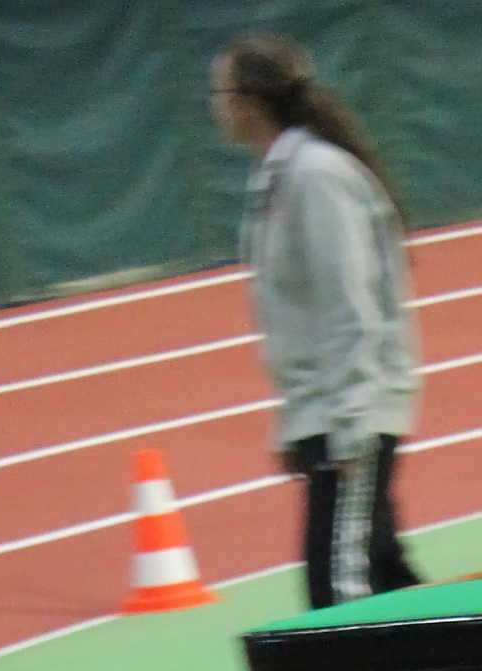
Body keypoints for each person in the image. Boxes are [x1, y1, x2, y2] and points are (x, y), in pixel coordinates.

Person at [209, 32, 423, 609]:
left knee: (341, 603)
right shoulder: (279, 176)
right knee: (386, 579)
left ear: (251, 100)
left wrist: (350, 425)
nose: (215, 104)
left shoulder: (317, 176)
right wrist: (297, 422)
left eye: (222, 91)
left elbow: (349, 305)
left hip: (350, 419)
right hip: (324, 418)